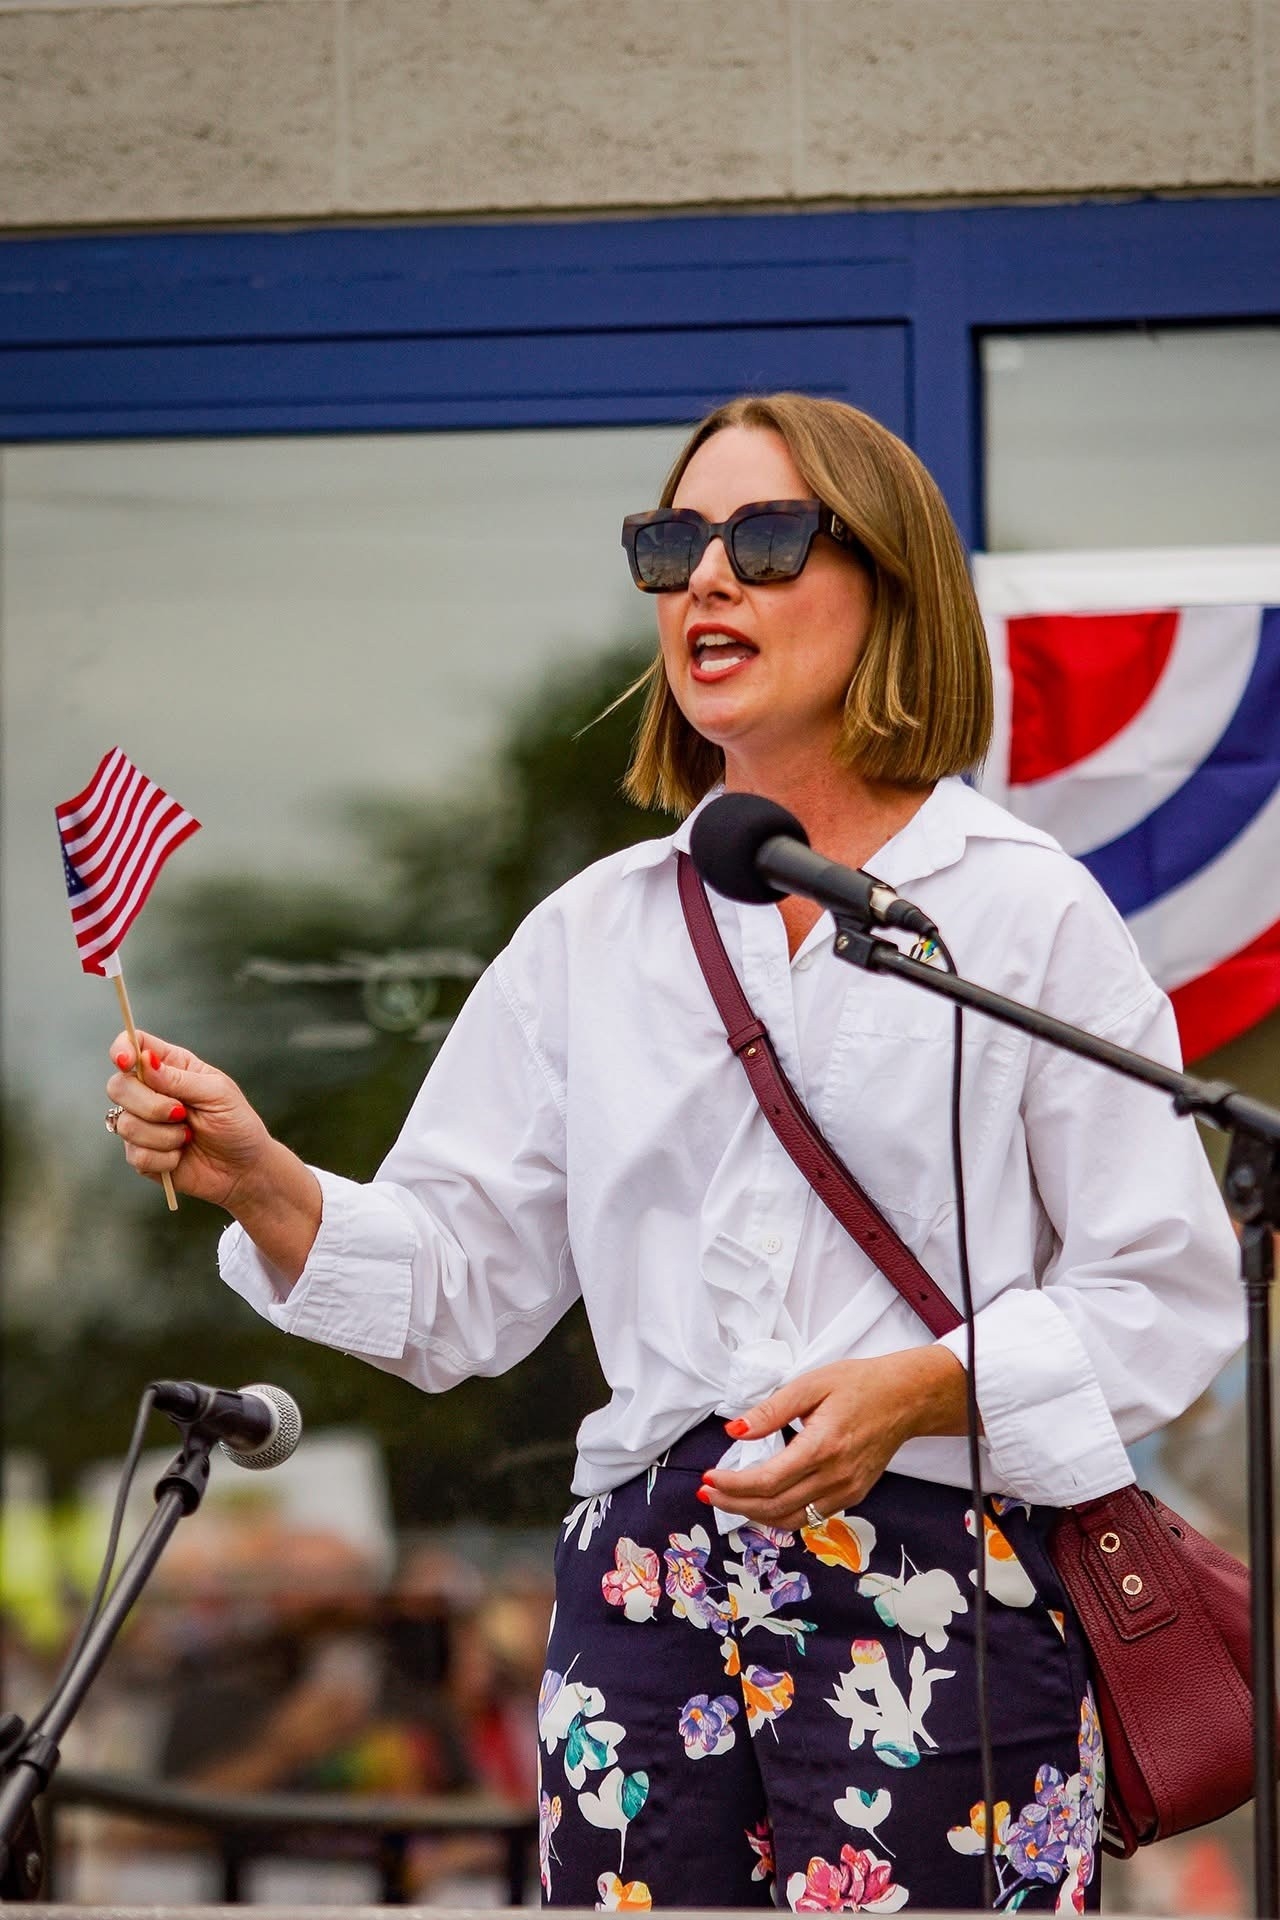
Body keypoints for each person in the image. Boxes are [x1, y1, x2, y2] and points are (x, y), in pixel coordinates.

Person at [104, 393, 1243, 1912]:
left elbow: (1162, 1290)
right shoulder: (597, 932)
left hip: (939, 1593)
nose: (705, 578)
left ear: (888, 581)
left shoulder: (1018, 913)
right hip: (650, 1599)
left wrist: (923, 1384)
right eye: (670, 543)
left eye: (763, 538)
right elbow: (460, 1291)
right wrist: (263, 1179)